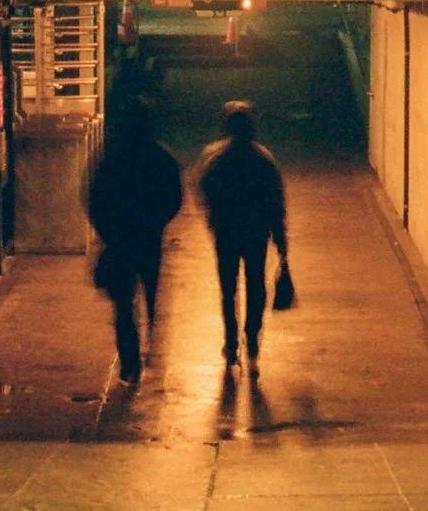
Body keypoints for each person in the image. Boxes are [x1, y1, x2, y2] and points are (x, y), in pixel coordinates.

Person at [86, 101, 182, 385]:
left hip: (119, 239)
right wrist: (157, 221)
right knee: (152, 291)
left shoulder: (112, 158)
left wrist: (107, 231)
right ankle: (153, 346)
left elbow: (94, 199)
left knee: (123, 304)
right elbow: (174, 198)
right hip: (149, 236)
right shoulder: (161, 157)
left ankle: (130, 363)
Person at [197, 100, 287, 376]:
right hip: (256, 232)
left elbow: (205, 191)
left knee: (228, 289)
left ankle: (231, 342)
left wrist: (214, 219)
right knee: (256, 285)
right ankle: (253, 343)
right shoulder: (263, 159)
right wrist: (281, 241)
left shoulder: (215, 157)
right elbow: (275, 202)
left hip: (226, 232)